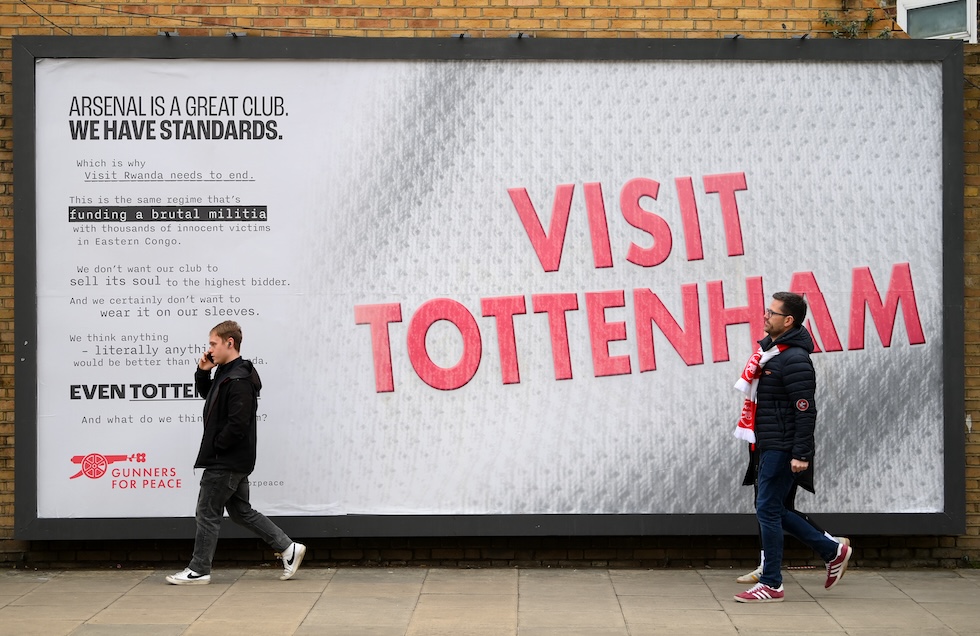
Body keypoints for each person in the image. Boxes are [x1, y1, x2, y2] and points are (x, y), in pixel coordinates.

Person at [732, 292, 851, 603]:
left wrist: (801, 454)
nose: (765, 316)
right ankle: (832, 550)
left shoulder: (794, 359)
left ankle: (772, 583)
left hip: (783, 448)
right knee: (774, 509)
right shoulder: (773, 354)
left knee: (767, 510)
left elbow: (805, 410)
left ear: (788, 321)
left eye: (772, 313)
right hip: (770, 443)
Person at [166, 320, 305, 585]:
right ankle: (289, 548)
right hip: (233, 459)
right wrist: (202, 372)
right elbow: (210, 397)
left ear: (230, 343)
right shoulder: (227, 372)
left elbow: (238, 423)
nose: (209, 350)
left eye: (213, 344)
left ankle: (199, 570)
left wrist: (218, 445)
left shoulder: (239, 378)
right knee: (241, 512)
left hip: (225, 460)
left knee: (207, 512)